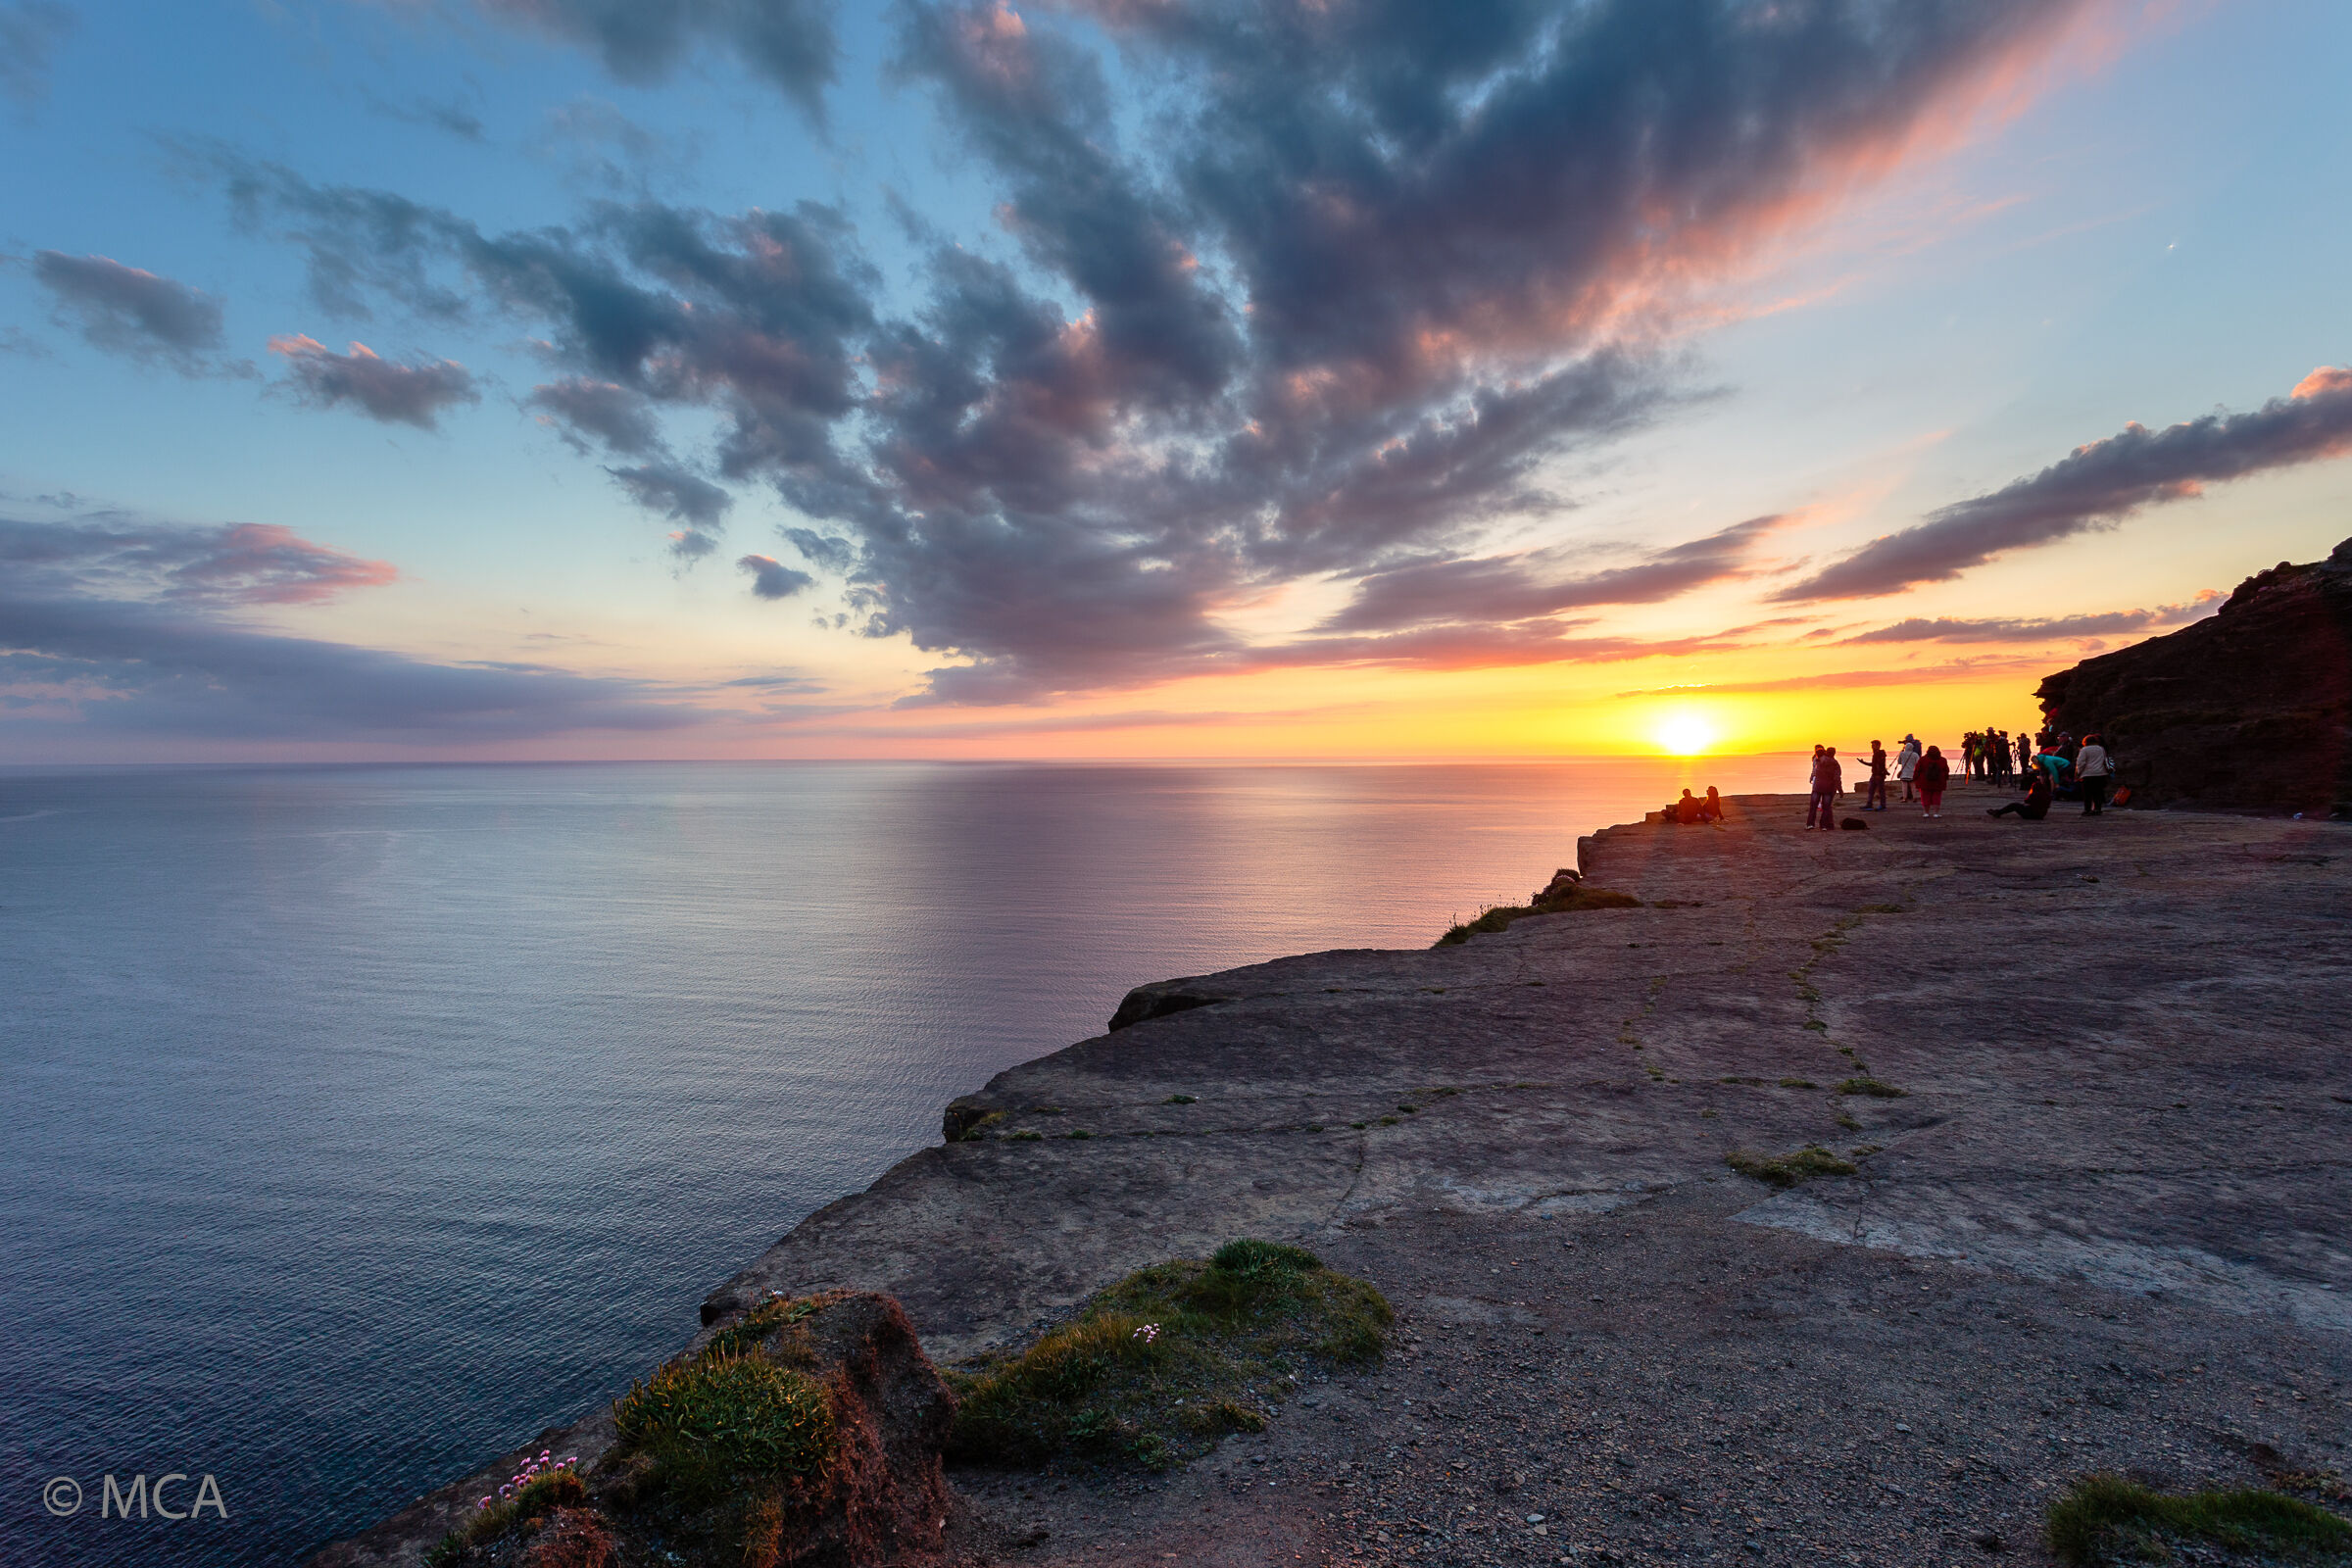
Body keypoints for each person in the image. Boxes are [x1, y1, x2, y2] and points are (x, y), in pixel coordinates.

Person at [1987, 767, 2053, 820]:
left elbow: (2026, 801)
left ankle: (1998, 812)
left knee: (2014, 805)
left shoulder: (2035, 794)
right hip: (2040, 815)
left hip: (2032, 815)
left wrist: (2030, 794)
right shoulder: (2047, 794)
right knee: (2019, 806)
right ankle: (1998, 812)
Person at [2074, 732, 2112, 815]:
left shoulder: (2084, 750)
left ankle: (2087, 810)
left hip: (2088, 774)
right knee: (2097, 792)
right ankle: (2097, 809)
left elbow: (2080, 763)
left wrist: (2078, 773)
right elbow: (2104, 760)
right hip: (2100, 773)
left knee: (2087, 793)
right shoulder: (2101, 748)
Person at [1808, 747, 1842, 832]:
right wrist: (1840, 790)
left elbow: (1815, 771)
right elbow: (1837, 778)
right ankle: (1823, 825)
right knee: (1826, 808)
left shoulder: (1819, 760)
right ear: (1834, 753)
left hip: (1817, 787)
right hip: (1828, 788)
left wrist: (1812, 777)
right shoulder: (1835, 764)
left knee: (1813, 806)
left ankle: (1810, 824)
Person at [1916, 743, 1950, 818]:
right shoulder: (1943, 760)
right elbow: (1946, 770)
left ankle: (1926, 813)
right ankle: (1936, 813)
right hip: (1938, 782)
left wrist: (1916, 779)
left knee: (1925, 797)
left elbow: (1917, 770)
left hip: (1925, 782)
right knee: (1936, 797)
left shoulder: (1922, 759)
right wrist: (1945, 778)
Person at [1865, 740, 1889, 810]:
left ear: (1878, 746)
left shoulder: (1879, 754)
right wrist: (1863, 762)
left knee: (1880, 791)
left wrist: (1879, 774)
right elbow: (1874, 764)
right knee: (1871, 790)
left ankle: (1882, 806)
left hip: (1878, 775)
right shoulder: (1876, 754)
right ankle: (1869, 804)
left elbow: (1880, 765)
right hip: (1875, 774)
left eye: (1873, 745)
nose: (1872, 747)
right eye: (1872, 746)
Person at [1896, 734, 1921, 803]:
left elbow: (1899, 762)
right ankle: (1914, 798)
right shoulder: (1915, 754)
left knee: (1904, 786)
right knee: (1913, 786)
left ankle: (1905, 798)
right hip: (1912, 772)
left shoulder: (1902, 754)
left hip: (1904, 773)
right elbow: (1918, 763)